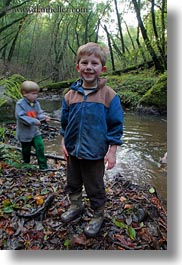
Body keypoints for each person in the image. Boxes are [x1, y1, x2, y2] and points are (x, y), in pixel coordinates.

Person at [60, 42, 124, 237]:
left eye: (94, 63)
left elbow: (116, 125)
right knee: (72, 181)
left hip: (95, 152)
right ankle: (76, 205)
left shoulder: (109, 95)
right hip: (72, 151)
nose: (89, 67)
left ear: (102, 68)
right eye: (84, 62)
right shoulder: (69, 95)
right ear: (78, 67)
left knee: (95, 186)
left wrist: (112, 151)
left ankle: (98, 214)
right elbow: (65, 123)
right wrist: (63, 142)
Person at [15, 80, 55, 172]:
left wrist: (44, 117)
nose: (36, 96)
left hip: (35, 132)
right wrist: (34, 121)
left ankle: (43, 166)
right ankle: (26, 165)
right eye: (33, 94)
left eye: (36, 94)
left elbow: (39, 114)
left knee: (40, 146)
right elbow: (21, 117)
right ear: (25, 93)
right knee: (26, 150)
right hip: (24, 133)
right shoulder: (20, 104)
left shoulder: (36, 103)